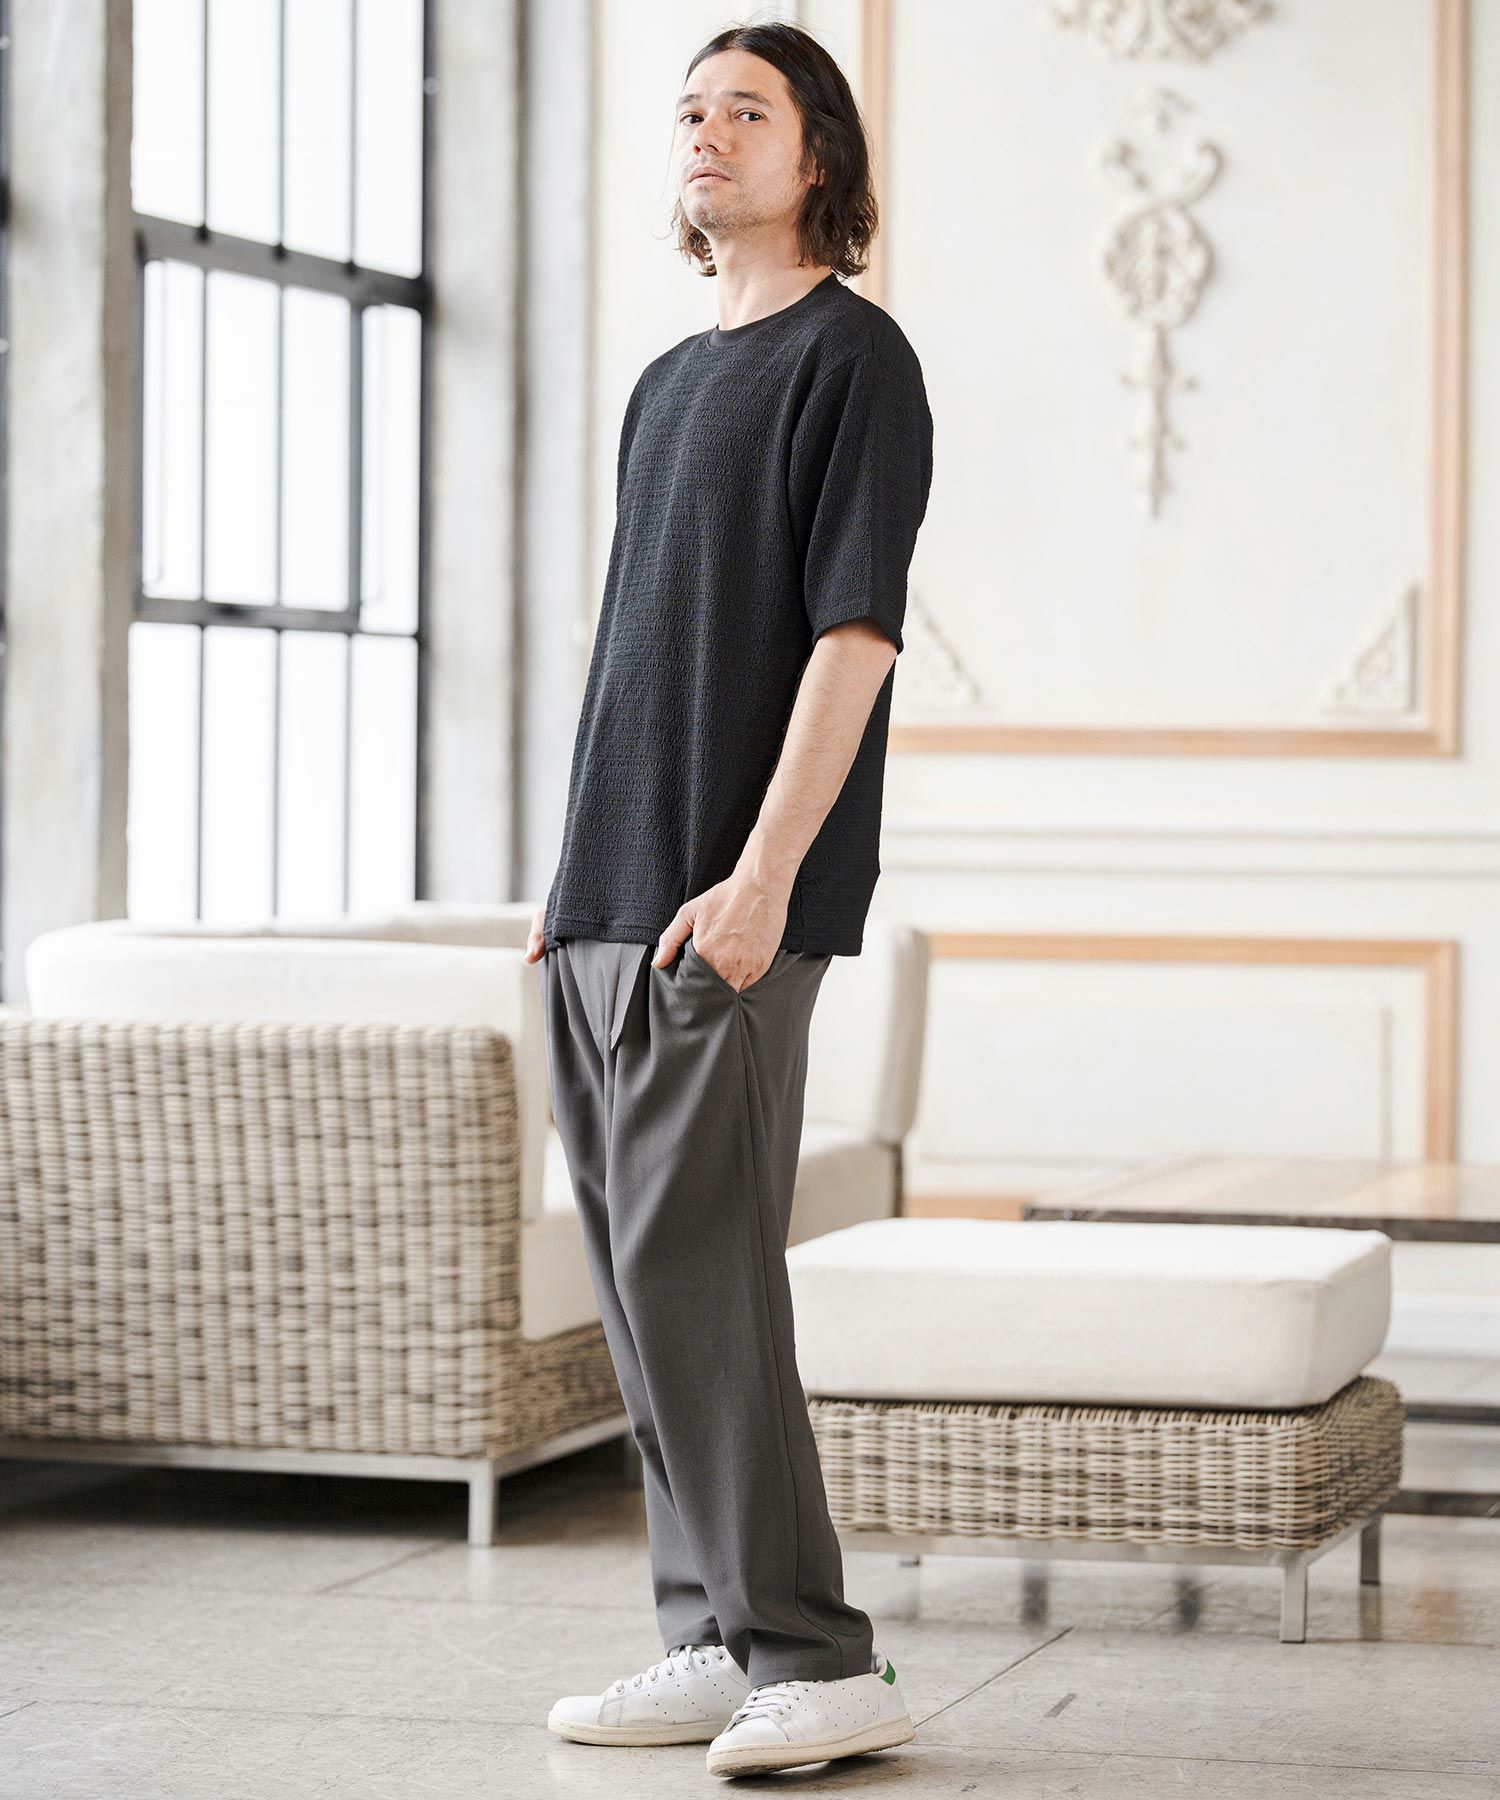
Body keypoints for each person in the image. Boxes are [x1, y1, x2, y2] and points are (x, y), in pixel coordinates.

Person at [525, 19, 933, 1780]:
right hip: (604, 901)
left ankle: (820, 1659)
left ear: (815, 155)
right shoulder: (665, 385)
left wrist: (763, 876)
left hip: (729, 904)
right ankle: (710, 1636)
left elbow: (855, 638)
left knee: (706, 1282)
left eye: (744, 110)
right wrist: (566, 881)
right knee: (640, 1286)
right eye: (689, 109)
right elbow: (632, 650)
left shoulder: (857, 361)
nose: (704, 132)